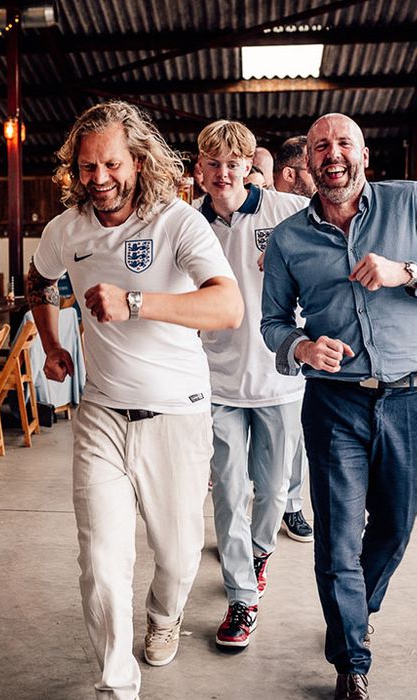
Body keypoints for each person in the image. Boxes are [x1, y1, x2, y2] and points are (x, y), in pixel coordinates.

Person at [26, 100, 243, 699]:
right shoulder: (64, 230)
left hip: (178, 413)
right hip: (101, 413)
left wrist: (137, 302)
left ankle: (165, 614)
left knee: (175, 559)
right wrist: (51, 341)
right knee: (100, 563)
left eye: (111, 164)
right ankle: (116, 686)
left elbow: (227, 307)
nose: (98, 178)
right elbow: (38, 279)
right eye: (86, 165)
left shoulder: (177, 222)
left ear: (139, 159)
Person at [261, 113, 417, 700]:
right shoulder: (289, 239)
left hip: (410, 397)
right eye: (321, 146)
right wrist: (302, 345)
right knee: (337, 540)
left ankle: (360, 603)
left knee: (397, 527)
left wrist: (405, 272)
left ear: (364, 156)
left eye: (343, 143)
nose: (332, 154)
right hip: (334, 405)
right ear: (307, 163)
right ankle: (351, 660)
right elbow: (272, 322)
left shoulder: (409, 205)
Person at [195, 120, 308, 651]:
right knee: (228, 490)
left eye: (232, 163)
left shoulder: (283, 211)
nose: (223, 173)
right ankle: (242, 595)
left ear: (248, 166)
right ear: (200, 169)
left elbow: (325, 251)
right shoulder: (187, 224)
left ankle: (260, 550)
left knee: (275, 492)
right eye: (212, 164)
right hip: (215, 380)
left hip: (279, 377)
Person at [272, 135, 318, 543]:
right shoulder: (266, 210)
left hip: (300, 335)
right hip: (251, 336)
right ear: (291, 174)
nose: (319, 177)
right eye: (310, 169)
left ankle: (291, 505)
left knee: (295, 431)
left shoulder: (316, 213)